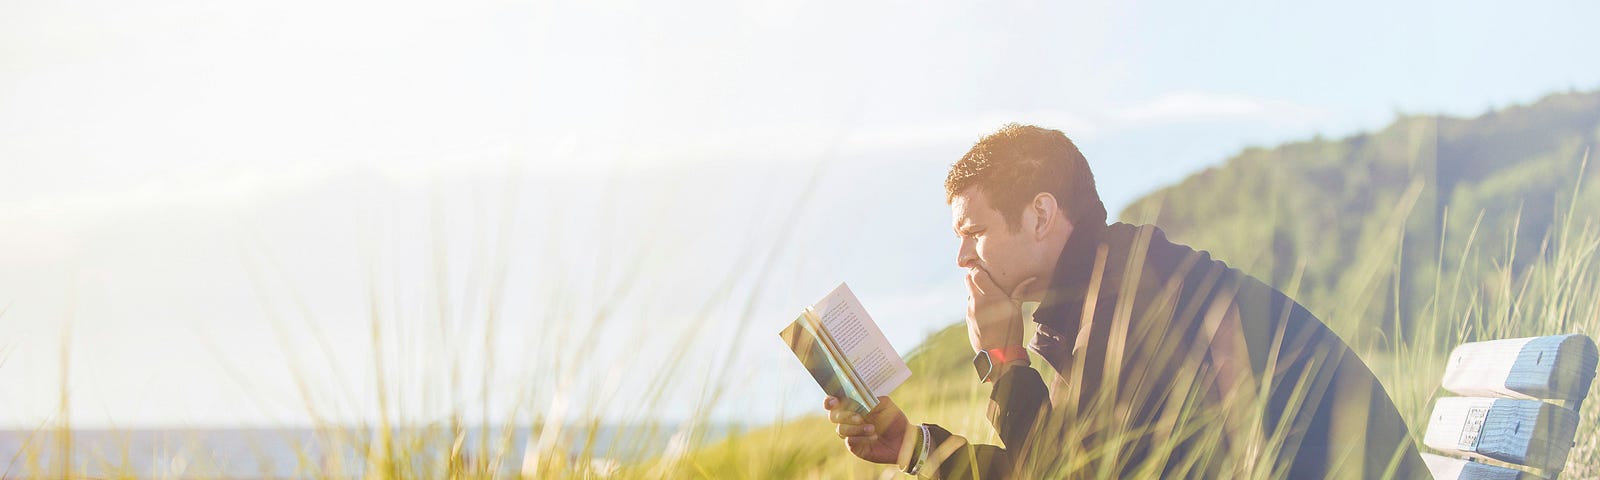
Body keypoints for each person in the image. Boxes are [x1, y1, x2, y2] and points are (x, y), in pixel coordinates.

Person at [823, 124, 1427, 479]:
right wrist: (913, 446)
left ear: (1040, 214)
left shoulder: (1138, 299)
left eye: (973, 232)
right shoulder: (1098, 294)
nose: (963, 260)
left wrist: (1003, 359)